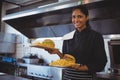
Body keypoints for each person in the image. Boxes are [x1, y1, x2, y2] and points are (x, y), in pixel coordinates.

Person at [45, 5, 107, 73]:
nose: (76, 20)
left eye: (79, 17)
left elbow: (101, 62)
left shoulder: (96, 37)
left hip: (85, 77)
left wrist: (81, 68)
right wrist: (57, 52)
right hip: (68, 76)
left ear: (87, 17)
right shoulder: (68, 37)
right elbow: (66, 60)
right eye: (74, 17)